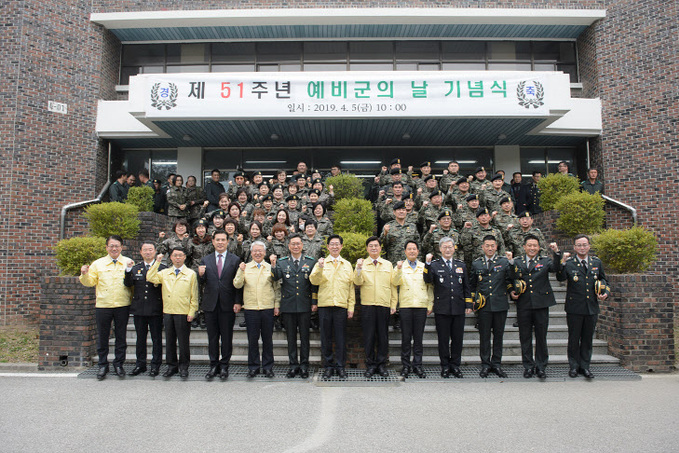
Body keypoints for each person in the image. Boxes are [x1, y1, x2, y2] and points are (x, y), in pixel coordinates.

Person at [508, 236, 562, 379]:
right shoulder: (517, 261)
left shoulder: (545, 261)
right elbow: (511, 278)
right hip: (524, 304)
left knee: (541, 337)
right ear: (524, 247)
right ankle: (528, 366)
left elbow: (556, 268)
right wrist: (511, 291)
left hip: (541, 303)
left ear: (539, 248)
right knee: (525, 337)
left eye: (535, 246)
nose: (532, 248)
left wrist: (557, 253)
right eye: (529, 245)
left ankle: (541, 366)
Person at [79, 235, 132, 380]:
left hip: (122, 305)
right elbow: (90, 282)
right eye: (111, 246)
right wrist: (84, 274)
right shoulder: (98, 264)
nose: (114, 248)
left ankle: (119, 364)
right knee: (103, 336)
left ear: (122, 247)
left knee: (121, 336)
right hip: (103, 305)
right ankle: (103, 364)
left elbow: (132, 284)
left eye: (117, 246)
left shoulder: (128, 262)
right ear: (106, 247)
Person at [557, 234, 610, 379]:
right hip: (575, 307)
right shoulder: (569, 263)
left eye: (584, 245)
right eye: (579, 245)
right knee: (574, 338)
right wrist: (562, 262)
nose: (582, 247)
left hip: (591, 307)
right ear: (574, 247)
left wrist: (604, 292)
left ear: (589, 246)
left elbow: (603, 280)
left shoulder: (596, 262)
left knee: (587, 338)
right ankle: (574, 366)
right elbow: (560, 278)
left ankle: (585, 367)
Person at [147, 247, 199, 379]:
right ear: (170, 257)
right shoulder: (165, 272)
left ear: (184, 257)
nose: (177, 258)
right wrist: (157, 262)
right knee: (170, 341)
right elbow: (150, 277)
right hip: (168, 311)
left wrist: (192, 311)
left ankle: (183, 367)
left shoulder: (190, 274)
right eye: (175, 255)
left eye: (180, 255)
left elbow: (194, 295)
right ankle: (171, 366)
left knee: (183, 342)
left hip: (183, 312)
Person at [270, 234, 317, 379]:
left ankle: (304, 366)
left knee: (304, 338)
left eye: (298, 244)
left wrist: (314, 302)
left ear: (302, 245)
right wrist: (272, 264)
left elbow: (314, 285)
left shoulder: (310, 261)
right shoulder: (282, 262)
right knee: (291, 338)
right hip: (288, 306)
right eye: (293, 244)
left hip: (304, 305)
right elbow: (275, 277)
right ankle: (293, 365)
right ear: (288, 246)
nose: (296, 246)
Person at [423, 237, 472, 378]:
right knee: (443, 340)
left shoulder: (461, 265)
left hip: (458, 307)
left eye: (450, 247)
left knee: (457, 339)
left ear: (454, 248)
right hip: (442, 308)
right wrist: (427, 264)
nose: (448, 249)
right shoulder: (434, 265)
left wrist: (468, 303)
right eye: (445, 247)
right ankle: (445, 366)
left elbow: (466, 286)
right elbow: (427, 280)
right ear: (440, 249)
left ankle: (455, 366)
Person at [309, 234, 356, 379]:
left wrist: (351, 307)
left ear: (341, 246)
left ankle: (341, 366)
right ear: (328, 247)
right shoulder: (321, 263)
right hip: (325, 305)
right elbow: (314, 281)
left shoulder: (347, 264)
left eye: (337, 244)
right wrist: (320, 268)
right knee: (326, 338)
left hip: (341, 306)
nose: (335, 247)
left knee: (341, 338)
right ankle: (328, 367)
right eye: (332, 244)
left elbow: (351, 288)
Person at [198, 230, 243, 380]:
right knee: (212, 337)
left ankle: (224, 366)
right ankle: (213, 365)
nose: (220, 242)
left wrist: (238, 302)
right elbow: (201, 283)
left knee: (226, 337)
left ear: (227, 242)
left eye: (223, 240)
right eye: (217, 240)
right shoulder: (205, 260)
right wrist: (201, 275)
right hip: (210, 304)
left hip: (227, 304)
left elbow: (238, 284)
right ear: (213, 241)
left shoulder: (235, 260)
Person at [233, 241, 278, 378]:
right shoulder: (245, 267)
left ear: (265, 253)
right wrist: (240, 271)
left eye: (260, 251)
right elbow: (237, 284)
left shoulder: (270, 267)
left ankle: (268, 367)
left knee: (267, 340)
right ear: (251, 252)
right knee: (252, 340)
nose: (258, 253)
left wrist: (277, 305)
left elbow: (277, 288)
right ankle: (253, 367)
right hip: (251, 308)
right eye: (255, 251)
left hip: (267, 308)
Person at [354, 236, 398, 378]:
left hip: (383, 304)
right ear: (367, 249)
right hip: (367, 305)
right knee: (369, 337)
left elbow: (393, 286)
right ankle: (370, 365)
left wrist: (393, 304)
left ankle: (381, 364)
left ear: (380, 248)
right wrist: (359, 269)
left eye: (376, 246)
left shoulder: (387, 264)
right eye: (371, 246)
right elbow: (357, 281)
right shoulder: (362, 264)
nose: (373, 248)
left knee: (383, 337)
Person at [469, 236, 513, 378]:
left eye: (492, 246)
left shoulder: (504, 262)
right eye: (487, 245)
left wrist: (511, 262)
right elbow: (472, 284)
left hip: (500, 304)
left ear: (496, 247)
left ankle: (497, 364)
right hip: (484, 306)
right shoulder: (477, 264)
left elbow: (511, 278)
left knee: (498, 336)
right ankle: (485, 364)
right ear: (482, 247)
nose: (489, 248)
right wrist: (473, 301)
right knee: (485, 336)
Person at [123, 242, 165, 377]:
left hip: (156, 308)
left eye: (150, 250)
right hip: (139, 309)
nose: (148, 252)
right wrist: (128, 271)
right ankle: (140, 364)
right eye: (145, 250)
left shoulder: (162, 268)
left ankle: (155, 365)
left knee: (156, 338)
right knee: (140, 338)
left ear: (155, 252)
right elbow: (128, 284)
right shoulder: (135, 268)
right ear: (140, 252)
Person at [392, 240, 432, 378]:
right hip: (406, 306)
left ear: (418, 251)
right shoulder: (400, 266)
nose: (412, 251)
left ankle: (418, 366)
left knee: (418, 339)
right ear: (405, 252)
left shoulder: (424, 266)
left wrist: (430, 304)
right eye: (409, 249)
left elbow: (430, 287)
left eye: (414, 249)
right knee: (406, 338)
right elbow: (395, 283)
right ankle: (405, 366)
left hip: (421, 306)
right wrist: (397, 269)